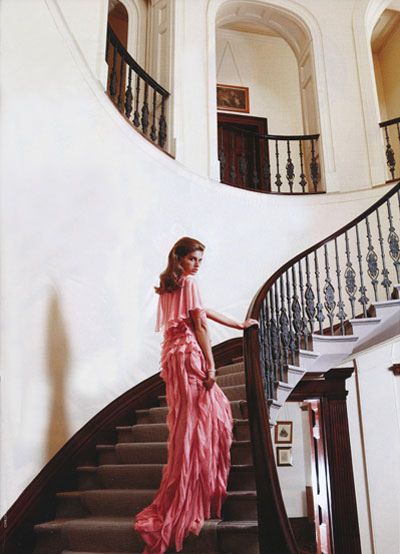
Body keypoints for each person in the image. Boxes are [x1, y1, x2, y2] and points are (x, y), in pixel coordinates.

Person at [133, 237, 259, 554]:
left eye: (200, 260)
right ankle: (192, 495)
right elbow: (199, 323)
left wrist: (238, 324)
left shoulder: (168, 287)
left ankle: (188, 489)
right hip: (190, 356)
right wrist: (212, 364)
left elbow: (201, 311)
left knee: (189, 425)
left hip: (173, 358)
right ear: (179, 258)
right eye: (193, 259)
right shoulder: (189, 281)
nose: (198, 265)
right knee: (205, 420)